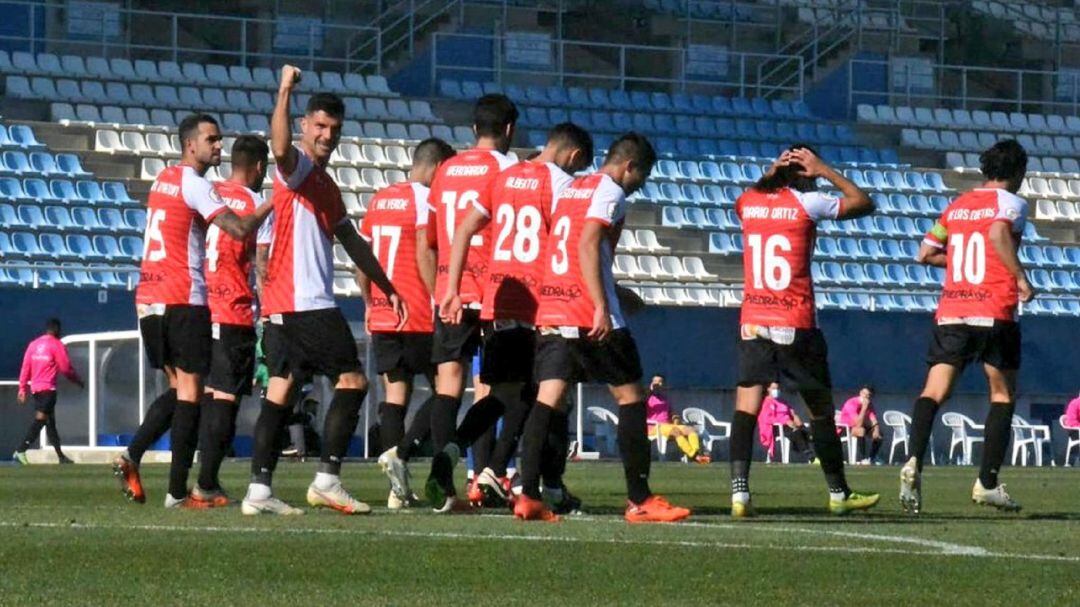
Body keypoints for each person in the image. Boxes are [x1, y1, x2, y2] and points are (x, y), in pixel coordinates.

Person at [241, 65, 405, 516]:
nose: (326, 135)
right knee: (352, 381)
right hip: (306, 302)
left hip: (282, 306)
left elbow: (351, 239)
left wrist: (386, 286)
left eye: (333, 128)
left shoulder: (327, 186)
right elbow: (277, 147)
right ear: (303, 127)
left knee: (280, 390)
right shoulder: (296, 168)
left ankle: (258, 491)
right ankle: (328, 479)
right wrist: (284, 90)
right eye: (318, 126)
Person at [518, 132, 691, 523]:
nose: (638, 186)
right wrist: (600, 304)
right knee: (631, 397)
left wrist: (612, 291)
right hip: (587, 311)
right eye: (640, 178)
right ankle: (639, 499)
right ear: (629, 166)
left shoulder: (573, 188)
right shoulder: (610, 191)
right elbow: (587, 243)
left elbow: (569, 247)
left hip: (555, 304)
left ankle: (528, 495)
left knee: (547, 399)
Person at [434, 122, 595, 514]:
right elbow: (570, 244)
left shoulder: (504, 178)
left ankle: (455, 450)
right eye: (577, 166)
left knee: (505, 394)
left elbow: (464, 230)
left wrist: (453, 289)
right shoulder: (560, 184)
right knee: (546, 398)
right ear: (573, 157)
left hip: (498, 300)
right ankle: (526, 479)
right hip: (540, 303)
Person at [113, 113, 272, 507]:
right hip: (185, 295)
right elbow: (238, 229)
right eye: (212, 140)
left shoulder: (163, 178)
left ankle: (134, 454)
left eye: (219, 140)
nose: (218, 146)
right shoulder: (195, 183)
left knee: (181, 387)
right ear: (190, 145)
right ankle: (177, 491)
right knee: (191, 392)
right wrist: (275, 202)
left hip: (149, 297)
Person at [380, 94, 518, 513]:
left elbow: (428, 242)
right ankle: (481, 467)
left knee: (449, 385)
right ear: (510, 129)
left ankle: (448, 489)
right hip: (495, 289)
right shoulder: (509, 169)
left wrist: (442, 291)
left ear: (474, 129)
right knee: (510, 389)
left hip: (450, 290)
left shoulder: (447, 170)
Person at [728, 144, 879, 518]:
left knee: (746, 407)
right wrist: (825, 169)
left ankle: (740, 495)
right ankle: (838, 492)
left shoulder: (748, 202)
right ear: (805, 174)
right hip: (794, 320)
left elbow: (749, 196)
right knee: (820, 412)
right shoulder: (808, 204)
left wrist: (770, 172)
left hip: (753, 319)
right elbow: (863, 203)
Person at [900, 139, 1032, 514]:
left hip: (954, 309)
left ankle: (913, 460)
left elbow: (925, 253)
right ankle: (986, 483)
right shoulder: (1012, 204)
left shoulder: (956, 207)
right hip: (994, 310)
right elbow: (997, 235)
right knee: (1003, 395)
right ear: (1018, 173)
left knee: (933, 391)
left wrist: (958, 262)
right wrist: (1020, 277)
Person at [358, 137, 456, 509]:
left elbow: (364, 257)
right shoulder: (422, 198)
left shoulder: (381, 197)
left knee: (394, 396)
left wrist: (369, 302)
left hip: (384, 312)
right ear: (434, 168)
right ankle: (404, 451)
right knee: (444, 390)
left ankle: (396, 489)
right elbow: (422, 248)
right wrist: (437, 297)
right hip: (416, 311)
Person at [188, 134, 272, 507]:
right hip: (232, 310)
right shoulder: (254, 203)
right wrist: (268, 315)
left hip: (198, 307)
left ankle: (200, 479)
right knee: (226, 399)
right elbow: (263, 266)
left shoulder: (207, 192)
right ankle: (205, 483)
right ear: (258, 167)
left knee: (204, 395)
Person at [13, 318, 83, 464]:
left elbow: (26, 367)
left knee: (50, 424)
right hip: (48, 390)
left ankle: (60, 457)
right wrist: (78, 381)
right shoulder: (56, 345)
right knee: (40, 421)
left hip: (36, 390)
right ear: (57, 329)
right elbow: (65, 368)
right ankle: (21, 450)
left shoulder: (34, 344)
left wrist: (22, 388)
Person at [646, 374, 710, 464]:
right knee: (676, 431)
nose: (657, 384)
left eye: (660, 382)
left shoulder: (665, 399)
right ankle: (695, 456)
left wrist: (675, 419)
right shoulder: (647, 397)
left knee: (691, 429)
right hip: (654, 427)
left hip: (668, 426)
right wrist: (650, 390)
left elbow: (673, 413)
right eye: (655, 381)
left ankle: (695, 452)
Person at [757, 382, 815, 463]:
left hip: (790, 424)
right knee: (796, 432)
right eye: (774, 389)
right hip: (777, 428)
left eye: (777, 389)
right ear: (768, 389)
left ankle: (809, 452)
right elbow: (765, 418)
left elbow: (792, 412)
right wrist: (784, 421)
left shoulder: (783, 401)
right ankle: (809, 455)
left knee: (809, 432)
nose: (776, 391)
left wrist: (797, 419)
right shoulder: (766, 402)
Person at [839, 385, 881, 464]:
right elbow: (858, 423)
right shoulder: (851, 403)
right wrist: (864, 408)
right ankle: (863, 458)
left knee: (879, 435)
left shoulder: (870, 405)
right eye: (865, 394)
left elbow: (873, 419)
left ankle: (872, 458)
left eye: (869, 396)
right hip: (846, 428)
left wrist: (876, 429)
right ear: (860, 393)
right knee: (861, 430)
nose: (866, 397)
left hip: (860, 426)